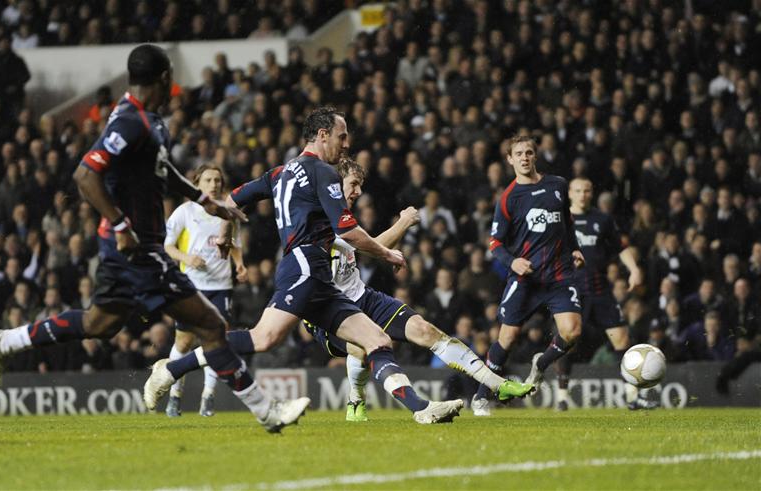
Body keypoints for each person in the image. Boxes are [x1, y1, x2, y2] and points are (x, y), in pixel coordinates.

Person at [0, 44, 308, 433]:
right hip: (139, 249)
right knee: (211, 326)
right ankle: (267, 412)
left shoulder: (150, 122)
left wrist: (207, 202)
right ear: (165, 77)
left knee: (100, 323)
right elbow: (86, 175)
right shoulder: (130, 121)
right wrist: (120, 226)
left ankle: (5, 342)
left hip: (130, 249)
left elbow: (163, 172)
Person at [144, 106, 464, 424]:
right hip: (305, 266)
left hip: (317, 274)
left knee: (377, 341)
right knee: (264, 339)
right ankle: (170, 369)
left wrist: (227, 234)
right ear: (322, 135)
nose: (347, 143)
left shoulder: (280, 172)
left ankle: (421, 409)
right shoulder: (322, 171)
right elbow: (348, 231)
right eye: (342, 136)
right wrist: (387, 253)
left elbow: (230, 203)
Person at [162, 157, 533, 422]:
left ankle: (487, 386)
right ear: (335, 182)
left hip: (358, 295)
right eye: (353, 185)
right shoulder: (322, 213)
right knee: (288, 340)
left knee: (417, 331)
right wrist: (400, 227)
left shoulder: (325, 204)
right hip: (321, 300)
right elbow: (362, 243)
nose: (356, 192)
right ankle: (358, 399)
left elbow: (360, 244)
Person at [472, 135, 586, 416]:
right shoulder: (509, 198)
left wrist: (575, 249)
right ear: (510, 159)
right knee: (507, 339)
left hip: (559, 275)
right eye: (519, 154)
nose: (524, 157)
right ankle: (481, 397)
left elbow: (567, 225)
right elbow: (495, 244)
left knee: (572, 331)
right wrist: (513, 263)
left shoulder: (558, 185)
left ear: (535, 156)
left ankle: (541, 364)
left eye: (529, 153)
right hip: (527, 279)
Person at [555, 177, 657, 410]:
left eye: (587, 190)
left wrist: (633, 269)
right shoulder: (560, 220)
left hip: (600, 290)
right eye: (578, 191)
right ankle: (562, 398)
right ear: (570, 193)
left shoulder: (603, 219)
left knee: (622, 339)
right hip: (572, 291)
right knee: (568, 342)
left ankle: (632, 397)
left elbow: (621, 247)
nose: (582, 195)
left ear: (592, 193)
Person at [163, 164, 247, 418]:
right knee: (184, 341)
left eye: (218, 180)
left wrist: (240, 263)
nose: (214, 184)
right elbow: (167, 246)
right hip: (192, 286)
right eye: (208, 180)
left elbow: (234, 243)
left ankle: (207, 398)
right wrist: (186, 258)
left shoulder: (227, 212)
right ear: (197, 183)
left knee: (217, 341)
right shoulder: (185, 211)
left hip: (221, 287)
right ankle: (174, 396)